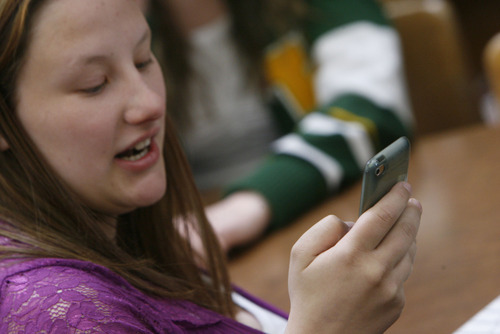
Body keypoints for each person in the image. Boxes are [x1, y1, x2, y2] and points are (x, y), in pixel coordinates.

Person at [0, 0, 422, 332]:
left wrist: (254, 203)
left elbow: (371, 103)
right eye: (94, 85)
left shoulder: (136, 239)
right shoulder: (61, 308)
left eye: (145, 60)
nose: (150, 104)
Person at [144, 0, 415, 252]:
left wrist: (250, 204)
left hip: (315, 213)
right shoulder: (126, 24)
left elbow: (369, 108)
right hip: (186, 240)